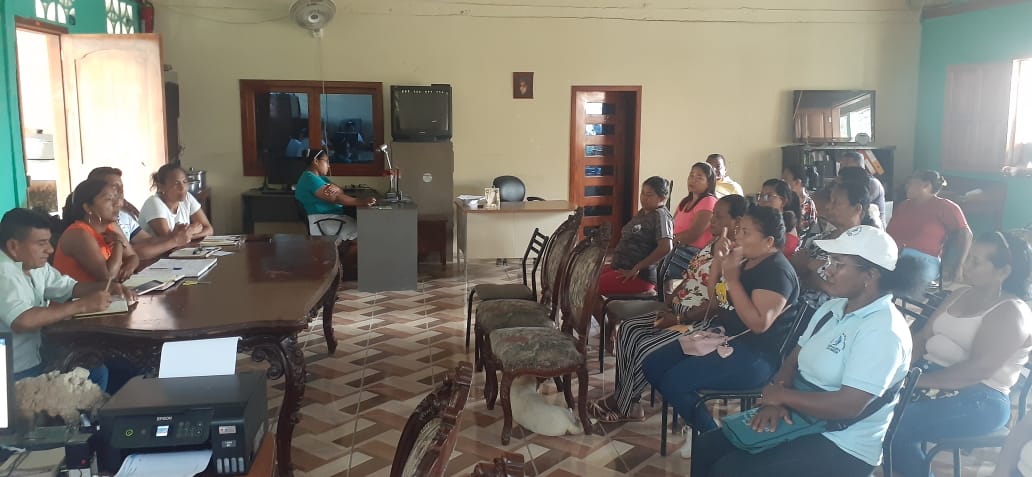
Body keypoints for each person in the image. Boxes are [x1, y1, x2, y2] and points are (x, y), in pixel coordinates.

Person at [691, 225, 923, 477]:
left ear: (871, 275)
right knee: (706, 446)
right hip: (801, 414)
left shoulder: (884, 331)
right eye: (830, 261)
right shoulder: (832, 308)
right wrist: (777, 400)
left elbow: (849, 405)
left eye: (839, 264)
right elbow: (793, 360)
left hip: (842, 442)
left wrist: (783, 397)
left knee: (730, 470)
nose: (828, 270)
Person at [643, 206, 800, 457]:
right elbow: (716, 300)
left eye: (746, 232)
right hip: (724, 340)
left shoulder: (777, 273)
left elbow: (759, 324)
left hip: (756, 357)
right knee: (653, 364)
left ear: (769, 241)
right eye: (739, 230)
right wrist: (719, 262)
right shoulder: (745, 260)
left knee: (675, 381)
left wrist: (733, 279)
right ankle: (700, 425)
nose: (738, 237)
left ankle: (712, 439)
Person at [589, 194, 747, 423]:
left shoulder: (736, 258)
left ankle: (624, 404)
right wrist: (670, 302)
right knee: (629, 329)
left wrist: (679, 318)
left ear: (737, 221)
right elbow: (690, 277)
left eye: (719, 217)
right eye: (712, 214)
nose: (712, 220)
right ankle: (628, 401)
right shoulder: (712, 244)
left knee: (645, 346)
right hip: (677, 312)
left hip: (699, 323)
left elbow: (716, 304)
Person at [890, 231, 1032, 477]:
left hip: (980, 398)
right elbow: (922, 339)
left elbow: (976, 371)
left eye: (976, 261)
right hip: (931, 379)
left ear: (1003, 272)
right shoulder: (960, 294)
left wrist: (913, 381)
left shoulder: (1012, 312)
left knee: (896, 425)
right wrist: (898, 371)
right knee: (873, 406)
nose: (966, 265)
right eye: (969, 258)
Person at [0, 208, 135, 388]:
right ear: (13, 246)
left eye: (49, 242)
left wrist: (108, 287)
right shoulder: (3, 272)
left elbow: (69, 288)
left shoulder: (33, 265)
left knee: (107, 367)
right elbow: (22, 320)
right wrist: (81, 306)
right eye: (41, 243)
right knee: (95, 374)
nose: (50, 249)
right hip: (14, 372)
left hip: (38, 355)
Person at [791, 180, 877, 310]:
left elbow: (843, 288)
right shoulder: (820, 239)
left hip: (829, 311)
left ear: (857, 209)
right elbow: (797, 262)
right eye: (830, 201)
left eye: (836, 203)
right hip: (797, 304)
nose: (828, 207)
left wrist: (807, 269)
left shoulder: (864, 246)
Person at [886, 170, 972, 286]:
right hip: (893, 256)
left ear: (926, 185)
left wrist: (959, 265)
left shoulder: (945, 207)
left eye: (911, 183)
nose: (906, 186)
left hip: (922, 261)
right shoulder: (903, 206)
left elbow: (965, 234)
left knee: (897, 279)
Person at [87, 167, 190, 260]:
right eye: (114, 187)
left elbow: (148, 241)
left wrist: (172, 236)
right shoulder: (95, 222)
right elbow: (134, 253)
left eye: (121, 187)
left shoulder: (124, 217)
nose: (121, 191)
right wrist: (174, 241)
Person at [599, 176, 674, 296]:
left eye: (649, 195)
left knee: (589, 286)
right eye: (642, 193)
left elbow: (666, 247)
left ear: (662, 198)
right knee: (587, 277)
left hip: (639, 276)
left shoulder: (661, 216)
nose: (644, 198)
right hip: (621, 267)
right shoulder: (643, 212)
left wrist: (637, 267)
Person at [53, 180, 140, 283]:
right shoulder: (79, 234)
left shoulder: (111, 226)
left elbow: (133, 257)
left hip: (106, 292)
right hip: (82, 294)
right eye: (109, 199)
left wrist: (127, 270)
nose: (118, 204)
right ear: (88, 208)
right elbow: (108, 277)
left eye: (116, 198)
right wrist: (119, 243)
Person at [294, 148, 376, 240]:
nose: (329, 166)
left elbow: (340, 191)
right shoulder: (310, 179)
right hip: (324, 220)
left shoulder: (320, 178)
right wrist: (361, 201)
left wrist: (338, 190)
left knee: (364, 231)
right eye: (326, 161)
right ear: (316, 161)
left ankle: (345, 248)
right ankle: (344, 249)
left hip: (331, 218)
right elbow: (336, 198)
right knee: (365, 234)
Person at [665, 162, 718, 281]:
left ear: (709, 183)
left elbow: (692, 236)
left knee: (655, 261)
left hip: (693, 254)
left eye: (699, 177)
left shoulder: (709, 201)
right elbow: (670, 226)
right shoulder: (685, 201)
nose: (693, 180)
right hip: (677, 247)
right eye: (691, 175)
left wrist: (667, 241)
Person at [138, 164, 214, 241]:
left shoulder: (187, 197)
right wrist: (191, 231)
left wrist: (189, 234)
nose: (182, 188)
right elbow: (169, 241)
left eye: (184, 182)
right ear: (161, 187)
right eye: (176, 183)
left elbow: (209, 229)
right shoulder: (153, 203)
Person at [757, 179, 801, 257]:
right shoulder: (765, 221)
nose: (762, 201)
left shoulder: (786, 229)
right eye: (761, 196)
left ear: (783, 201)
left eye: (769, 196)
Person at [837, 151, 886, 222]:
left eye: (847, 167)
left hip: (872, 226)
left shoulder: (872, 183)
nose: (842, 170)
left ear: (860, 168)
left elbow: (853, 204)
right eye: (841, 166)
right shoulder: (843, 183)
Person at [782, 165, 817, 235]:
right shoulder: (784, 199)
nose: (782, 184)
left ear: (797, 182)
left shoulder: (808, 205)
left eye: (785, 180)